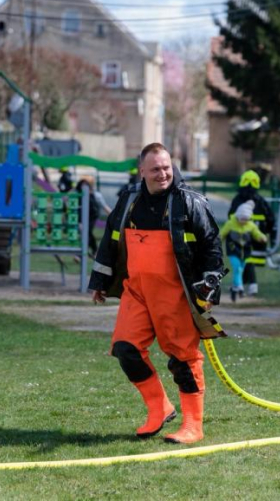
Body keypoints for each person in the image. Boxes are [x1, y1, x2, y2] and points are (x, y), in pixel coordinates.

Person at [89, 142, 225, 445]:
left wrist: (208, 288)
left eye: (166, 167)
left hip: (175, 294)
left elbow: (211, 246)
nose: (163, 174)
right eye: (155, 169)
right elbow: (110, 242)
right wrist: (100, 281)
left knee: (183, 359)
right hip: (136, 292)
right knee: (125, 349)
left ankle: (193, 425)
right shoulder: (128, 201)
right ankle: (159, 408)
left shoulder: (190, 202)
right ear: (142, 171)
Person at [227, 169, 276, 296]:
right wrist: (268, 233)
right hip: (257, 238)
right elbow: (271, 219)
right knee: (246, 261)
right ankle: (244, 284)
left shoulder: (238, 200)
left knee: (246, 260)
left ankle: (251, 284)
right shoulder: (260, 200)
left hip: (240, 237)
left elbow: (230, 217)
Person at [220, 200, 268, 302]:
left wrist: (262, 238)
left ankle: (234, 289)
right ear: (238, 216)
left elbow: (257, 234)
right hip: (233, 250)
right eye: (242, 219)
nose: (243, 221)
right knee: (237, 268)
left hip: (245, 252)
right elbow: (221, 235)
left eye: (246, 219)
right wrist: (216, 243)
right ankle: (240, 289)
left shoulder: (251, 225)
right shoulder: (230, 223)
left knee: (239, 271)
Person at [75, 177, 112, 258]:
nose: (83, 188)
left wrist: (114, 216)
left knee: (86, 232)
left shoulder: (96, 195)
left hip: (92, 216)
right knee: (87, 233)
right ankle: (95, 250)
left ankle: (80, 254)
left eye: (86, 186)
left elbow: (104, 206)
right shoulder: (78, 194)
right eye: (82, 186)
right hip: (82, 217)